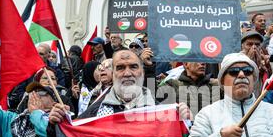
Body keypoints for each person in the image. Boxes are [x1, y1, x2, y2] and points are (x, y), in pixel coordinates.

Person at [49, 50, 191, 122]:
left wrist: (185, 121)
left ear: (141, 71)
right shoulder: (95, 111)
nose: (127, 73)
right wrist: (58, 123)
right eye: (120, 68)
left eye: (133, 67)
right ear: (114, 73)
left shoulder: (161, 108)